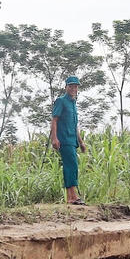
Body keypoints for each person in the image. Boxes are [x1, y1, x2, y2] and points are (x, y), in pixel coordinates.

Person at [51, 76, 87, 205]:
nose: (73, 88)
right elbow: (54, 120)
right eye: (71, 86)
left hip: (72, 140)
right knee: (70, 165)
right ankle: (71, 197)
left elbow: (74, 125)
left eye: (76, 86)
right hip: (64, 139)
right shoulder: (61, 101)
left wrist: (81, 142)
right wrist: (54, 138)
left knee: (73, 165)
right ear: (66, 87)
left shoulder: (73, 103)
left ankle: (72, 196)